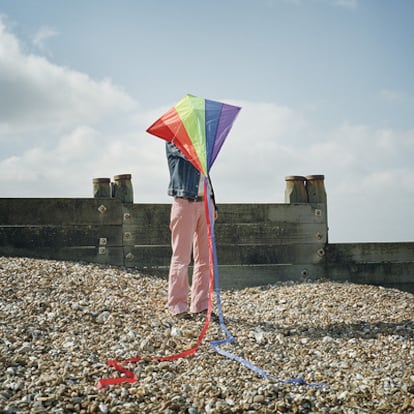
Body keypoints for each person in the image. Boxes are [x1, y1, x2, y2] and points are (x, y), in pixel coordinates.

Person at [165, 142, 217, 318]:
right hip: (184, 201)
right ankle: (177, 306)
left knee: (204, 258)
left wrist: (214, 204)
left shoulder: (202, 142)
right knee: (181, 257)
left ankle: (201, 306)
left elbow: (206, 177)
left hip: (205, 203)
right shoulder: (173, 140)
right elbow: (189, 155)